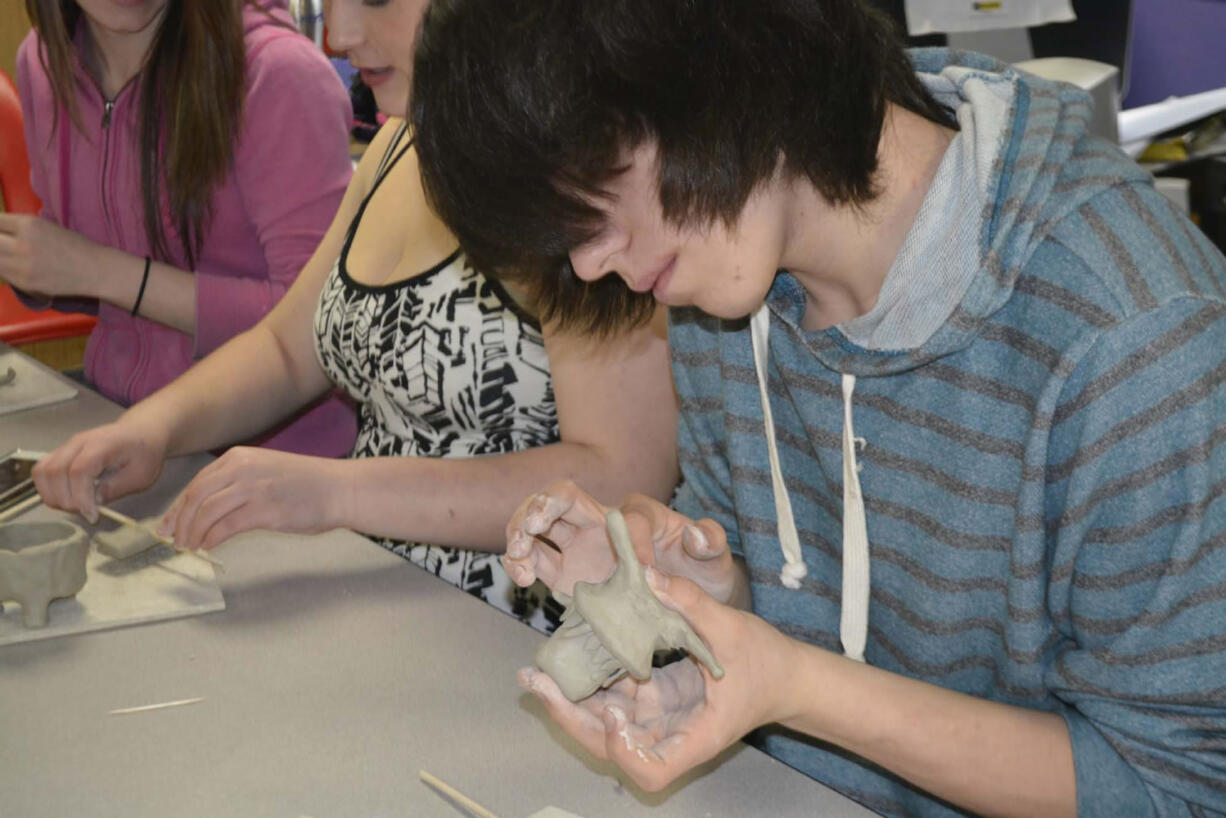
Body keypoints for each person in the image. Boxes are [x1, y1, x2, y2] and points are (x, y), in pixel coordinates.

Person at [408, 0, 1226, 815]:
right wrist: (698, 597)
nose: (587, 264)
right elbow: (770, 587)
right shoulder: (721, 285)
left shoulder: (1136, 338)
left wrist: (795, 688)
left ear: (716, 60)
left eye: (594, 188)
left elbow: (1172, 789)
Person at [31, 0, 678, 635]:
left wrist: (334, 492)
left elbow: (621, 473)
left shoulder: (576, 160)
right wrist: (153, 429)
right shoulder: (399, 141)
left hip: (514, 632)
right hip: (375, 597)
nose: (338, 33)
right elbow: (289, 349)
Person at [2, 0, 355, 455]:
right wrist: (34, 266)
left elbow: (321, 326)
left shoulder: (277, 72)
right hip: (117, 419)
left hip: (270, 459)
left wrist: (97, 270)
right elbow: (86, 252)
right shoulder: (43, 61)